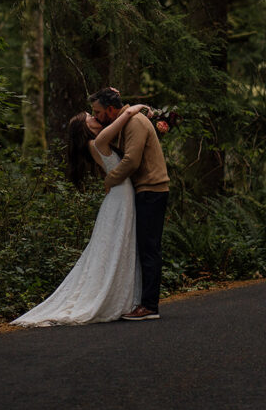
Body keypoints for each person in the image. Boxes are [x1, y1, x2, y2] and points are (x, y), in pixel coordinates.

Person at [11, 103, 149, 327]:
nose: (95, 118)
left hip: (119, 197)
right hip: (119, 199)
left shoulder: (95, 142)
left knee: (117, 247)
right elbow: (124, 118)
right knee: (115, 247)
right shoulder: (97, 142)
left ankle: (123, 295)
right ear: (84, 128)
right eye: (90, 117)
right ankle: (111, 296)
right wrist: (135, 108)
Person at [89, 86, 170, 321]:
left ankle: (150, 306)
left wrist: (110, 180)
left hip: (152, 190)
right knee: (145, 246)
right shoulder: (126, 122)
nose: (95, 117)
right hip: (145, 190)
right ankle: (143, 302)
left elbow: (131, 161)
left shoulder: (135, 124)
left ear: (111, 110)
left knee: (149, 247)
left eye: (97, 112)